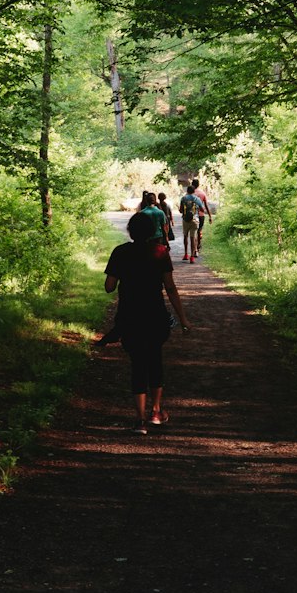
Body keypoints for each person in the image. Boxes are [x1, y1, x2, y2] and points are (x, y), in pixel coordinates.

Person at [103, 211, 189, 432]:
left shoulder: (120, 252)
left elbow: (109, 287)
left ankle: (139, 420)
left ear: (130, 231)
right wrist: (183, 318)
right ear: (152, 231)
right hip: (155, 317)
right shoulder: (160, 252)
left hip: (129, 318)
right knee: (154, 360)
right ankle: (156, 411)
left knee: (137, 365)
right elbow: (170, 287)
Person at [179, 181, 201, 263]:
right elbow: (202, 209)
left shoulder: (183, 198)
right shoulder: (196, 199)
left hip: (185, 220)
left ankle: (185, 254)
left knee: (185, 236)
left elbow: (181, 210)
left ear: (187, 191)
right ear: (194, 191)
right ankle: (192, 256)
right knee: (193, 238)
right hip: (195, 220)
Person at [193, 178, 212, 252]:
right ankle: (198, 244)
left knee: (194, 231)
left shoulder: (190, 193)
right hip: (201, 215)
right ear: (198, 184)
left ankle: (195, 246)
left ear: (192, 184)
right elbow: (206, 206)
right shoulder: (202, 193)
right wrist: (210, 216)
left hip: (193, 215)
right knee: (199, 230)